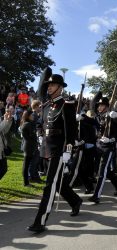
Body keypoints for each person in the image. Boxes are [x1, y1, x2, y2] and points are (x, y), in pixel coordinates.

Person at [27, 73, 83, 233]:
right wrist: (39, 136)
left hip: (58, 150)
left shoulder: (66, 105)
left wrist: (68, 150)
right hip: (45, 148)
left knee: (49, 186)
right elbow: (40, 124)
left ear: (60, 87)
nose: (49, 87)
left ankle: (40, 221)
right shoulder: (45, 105)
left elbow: (70, 131)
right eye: (48, 85)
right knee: (58, 183)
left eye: (52, 85)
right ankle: (75, 201)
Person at [20, 110, 38, 186]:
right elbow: (31, 136)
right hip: (28, 147)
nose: (32, 116)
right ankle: (26, 183)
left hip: (28, 146)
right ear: (28, 116)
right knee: (26, 165)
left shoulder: (27, 124)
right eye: (31, 115)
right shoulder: (27, 124)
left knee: (26, 165)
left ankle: (26, 182)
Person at [0, 109, 13, 180]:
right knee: (3, 169)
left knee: (4, 169)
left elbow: (4, 130)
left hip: (1, 149)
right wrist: (6, 120)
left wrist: (9, 120)